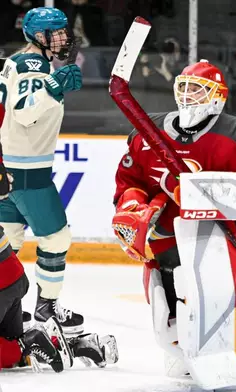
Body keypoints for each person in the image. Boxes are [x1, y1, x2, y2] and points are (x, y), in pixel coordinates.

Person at [112, 59, 236, 387]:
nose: (188, 96)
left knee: (203, 286)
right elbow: (129, 179)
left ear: (217, 96)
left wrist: (196, 192)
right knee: (164, 305)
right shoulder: (148, 132)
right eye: (183, 87)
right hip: (166, 234)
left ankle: (220, 352)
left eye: (198, 89)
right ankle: (177, 348)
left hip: (220, 233)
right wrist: (132, 205)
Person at [0, 96, 117, 373]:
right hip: (10, 277)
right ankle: (69, 344)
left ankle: (28, 341)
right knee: (8, 354)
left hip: (4, 282)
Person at [0, 7, 84, 335]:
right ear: (39, 36)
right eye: (57, 32)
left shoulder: (21, 62)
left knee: (10, 240)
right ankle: (46, 308)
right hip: (28, 171)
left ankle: (7, 310)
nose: (64, 38)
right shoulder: (33, 64)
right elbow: (24, 113)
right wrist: (53, 87)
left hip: (10, 166)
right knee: (56, 237)